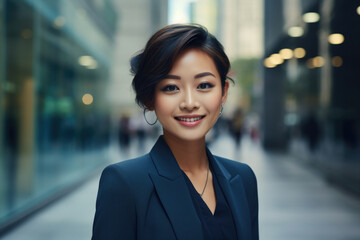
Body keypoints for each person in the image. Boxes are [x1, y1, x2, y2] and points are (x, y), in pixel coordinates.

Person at [92, 24, 259, 240]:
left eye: (204, 85)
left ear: (224, 92)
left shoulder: (243, 179)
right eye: (171, 87)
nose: (189, 103)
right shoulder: (124, 184)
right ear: (150, 98)